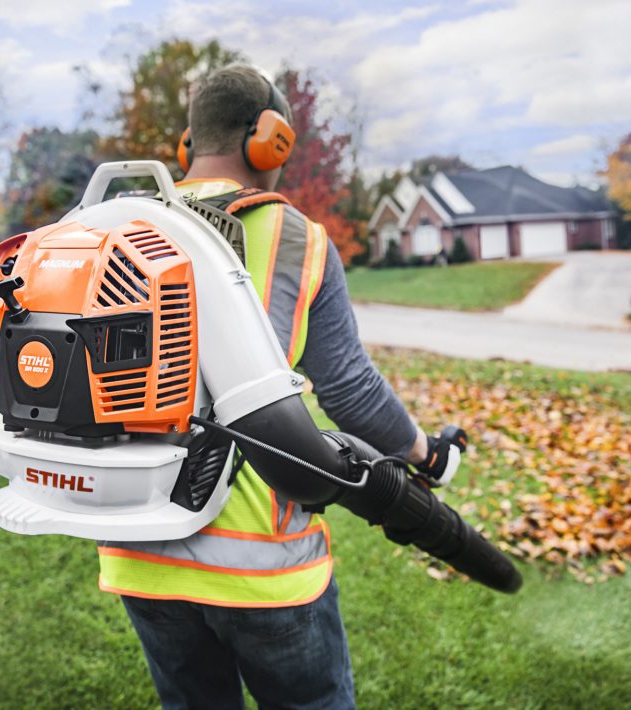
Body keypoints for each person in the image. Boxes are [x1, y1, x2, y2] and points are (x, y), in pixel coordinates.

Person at [97, 64, 449, 710]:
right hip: (259, 561)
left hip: (138, 546)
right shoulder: (292, 238)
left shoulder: (119, 226)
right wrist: (425, 453)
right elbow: (348, 392)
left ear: (187, 145)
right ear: (271, 140)